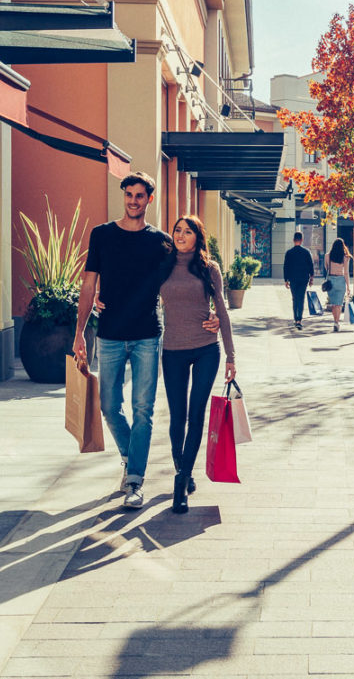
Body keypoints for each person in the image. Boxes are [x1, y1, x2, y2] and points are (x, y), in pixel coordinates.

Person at [72, 173, 172, 510]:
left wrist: (210, 312)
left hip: (147, 335)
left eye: (140, 196)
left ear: (149, 199)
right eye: (129, 195)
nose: (133, 201)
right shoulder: (102, 235)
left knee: (143, 410)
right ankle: (131, 458)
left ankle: (135, 481)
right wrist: (79, 334)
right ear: (123, 196)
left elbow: (180, 283)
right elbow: (88, 286)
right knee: (108, 407)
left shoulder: (161, 242)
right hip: (110, 334)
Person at [159, 215, 236, 513]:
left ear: (197, 237)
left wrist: (231, 356)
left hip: (206, 350)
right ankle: (183, 466)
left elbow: (222, 310)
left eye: (187, 231)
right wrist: (105, 298)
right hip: (173, 350)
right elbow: (138, 293)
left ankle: (181, 483)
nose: (180, 235)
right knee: (177, 417)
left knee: (196, 415)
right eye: (177, 230)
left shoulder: (209, 268)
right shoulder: (163, 265)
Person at [282, 232, 314, 331]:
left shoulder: (289, 252)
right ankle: (299, 320)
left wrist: (286, 280)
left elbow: (285, 267)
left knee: (295, 298)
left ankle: (296, 319)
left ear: (293, 240)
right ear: (302, 240)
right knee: (301, 298)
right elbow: (311, 265)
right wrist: (311, 278)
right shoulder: (306, 252)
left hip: (293, 279)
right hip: (303, 279)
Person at [324, 238, 350, 333]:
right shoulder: (345, 257)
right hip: (340, 281)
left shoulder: (327, 256)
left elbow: (326, 267)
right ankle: (336, 322)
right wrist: (348, 286)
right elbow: (346, 273)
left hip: (331, 281)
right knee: (339, 304)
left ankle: (335, 321)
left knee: (333, 304)